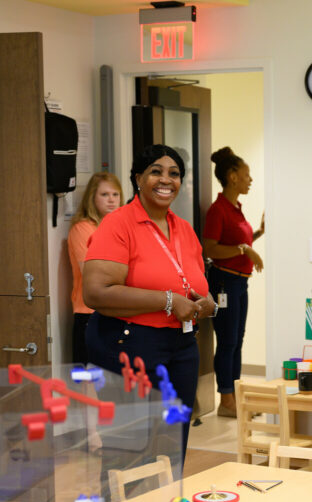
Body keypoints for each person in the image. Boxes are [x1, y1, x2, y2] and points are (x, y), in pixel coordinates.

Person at [83, 145, 217, 462]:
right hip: (129, 343)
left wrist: (207, 303)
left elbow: (195, 283)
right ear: (138, 178)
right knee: (129, 450)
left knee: (172, 444)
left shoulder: (183, 228)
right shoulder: (118, 224)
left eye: (174, 173)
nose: (165, 180)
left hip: (181, 346)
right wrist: (167, 301)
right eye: (156, 171)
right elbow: (96, 292)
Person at [202, 147, 264, 418]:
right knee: (227, 341)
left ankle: (235, 396)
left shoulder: (235, 209)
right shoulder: (218, 210)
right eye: (246, 175)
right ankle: (226, 400)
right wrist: (244, 249)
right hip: (224, 283)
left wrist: (258, 232)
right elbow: (211, 249)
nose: (250, 180)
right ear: (232, 176)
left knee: (237, 340)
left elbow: (239, 244)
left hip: (240, 283)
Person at [68, 172, 123, 365]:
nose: (111, 200)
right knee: (87, 379)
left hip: (119, 312)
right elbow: (93, 276)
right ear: (92, 197)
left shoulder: (121, 228)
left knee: (114, 380)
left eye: (115, 195)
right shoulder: (82, 229)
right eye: (104, 195)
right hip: (89, 313)